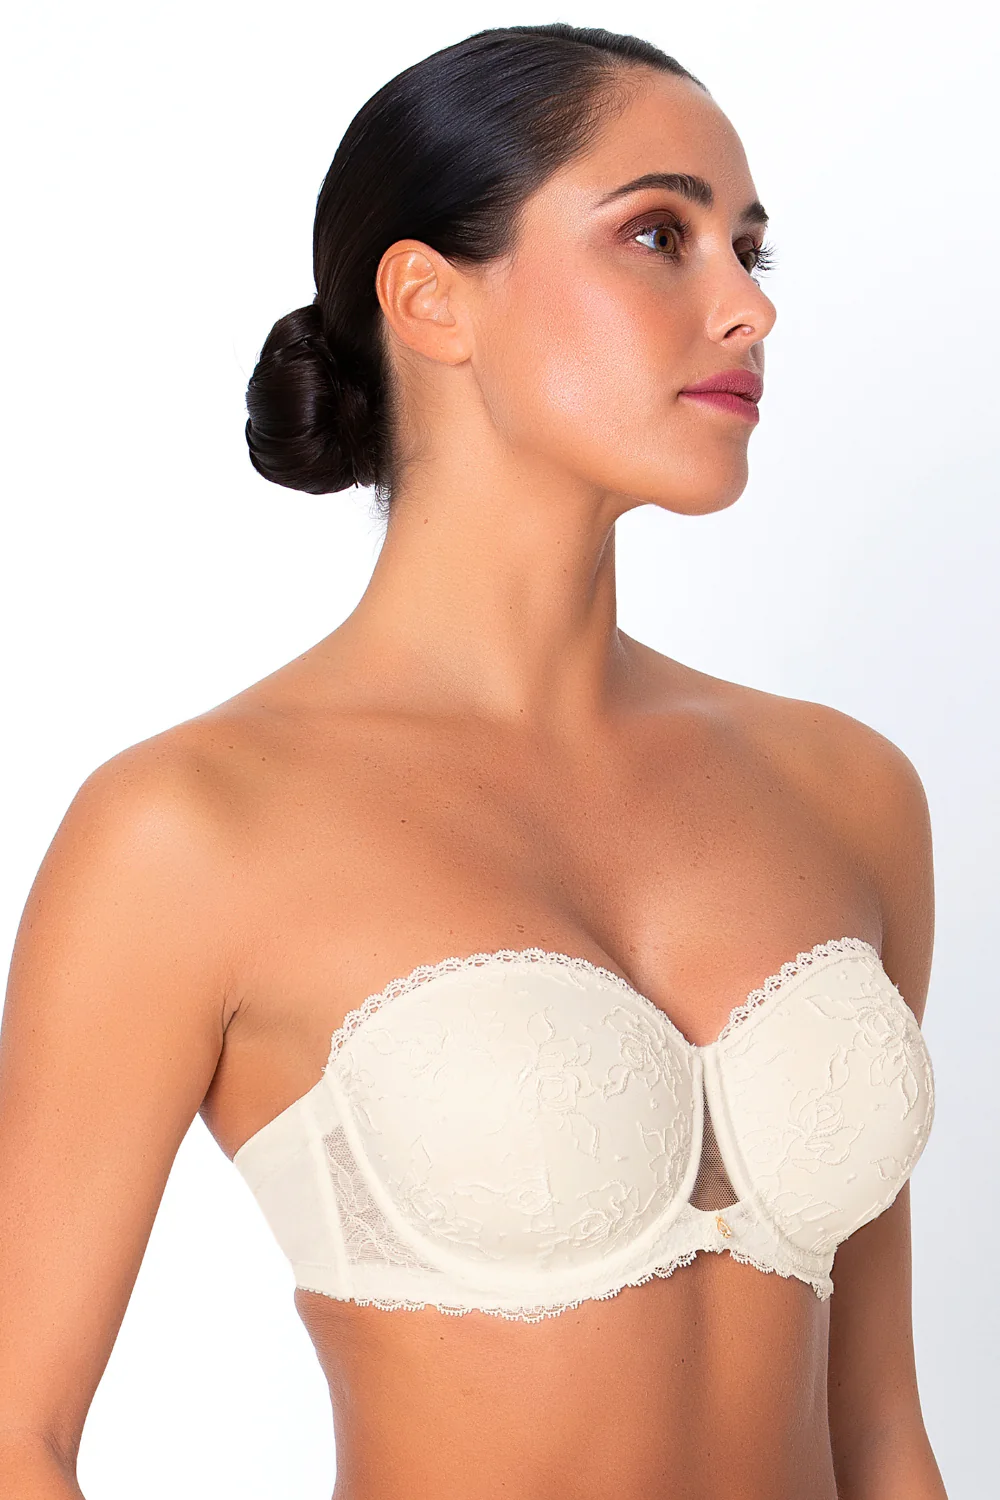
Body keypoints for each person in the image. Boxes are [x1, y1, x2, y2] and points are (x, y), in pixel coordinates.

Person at [0, 21, 945, 1500]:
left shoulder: (846, 790)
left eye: (752, 251)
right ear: (430, 297)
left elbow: (882, 1431)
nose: (749, 307)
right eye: (660, 234)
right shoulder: (190, 827)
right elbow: (19, 1436)